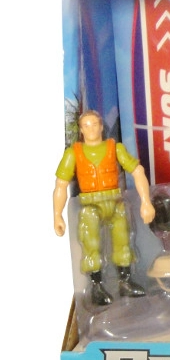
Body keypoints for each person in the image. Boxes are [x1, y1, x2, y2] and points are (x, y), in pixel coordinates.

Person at [53, 110, 155, 305]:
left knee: (123, 239)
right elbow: (61, 184)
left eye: (94, 124)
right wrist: (57, 214)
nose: (91, 129)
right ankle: (96, 286)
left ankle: (125, 281)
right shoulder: (73, 153)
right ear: (81, 130)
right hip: (90, 204)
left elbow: (137, 171)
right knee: (90, 242)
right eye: (86, 125)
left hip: (115, 201)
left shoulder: (114, 148)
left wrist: (146, 202)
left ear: (101, 127)